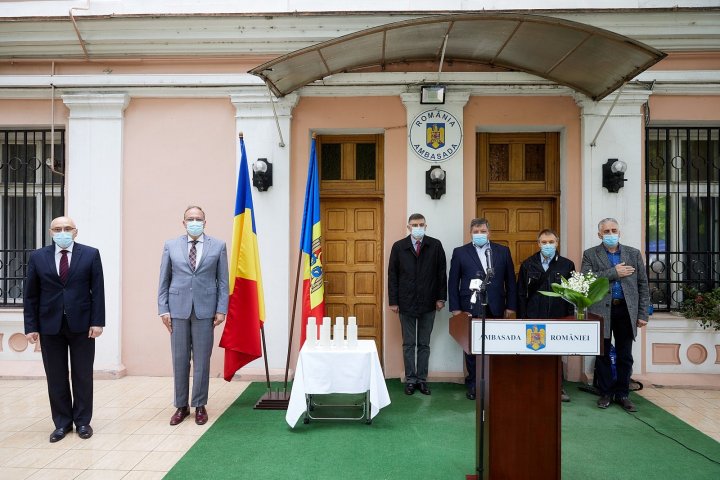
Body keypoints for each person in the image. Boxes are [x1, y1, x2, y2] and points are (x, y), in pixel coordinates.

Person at [24, 216, 105, 443]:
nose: (63, 232)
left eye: (67, 228)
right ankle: (61, 423)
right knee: (56, 377)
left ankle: (82, 422)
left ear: (75, 232)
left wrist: (97, 322)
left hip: (82, 325)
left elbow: (98, 291)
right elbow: (31, 295)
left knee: (82, 375)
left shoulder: (90, 254)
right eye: (58, 229)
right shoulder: (38, 257)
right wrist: (31, 327)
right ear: (51, 232)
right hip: (49, 326)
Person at [158, 206, 229, 425]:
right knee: (179, 359)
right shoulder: (171, 245)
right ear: (183, 222)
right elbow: (164, 279)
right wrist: (163, 309)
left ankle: (199, 405)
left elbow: (223, 282)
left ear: (205, 222)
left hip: (205, 310)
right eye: (191, 219)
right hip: (177, 309)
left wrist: (221, 309)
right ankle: (181, 406)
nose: (194, 222)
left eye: (198, 219)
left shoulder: (218, 246)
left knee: (201, 361)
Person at [581, 218, 649, 412]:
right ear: (599, 235)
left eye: (614, 230)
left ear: (619, 232)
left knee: (624, 354)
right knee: (602, 353)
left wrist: (643, 313)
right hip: (601, 310)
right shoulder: (590, 254)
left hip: (626, 310)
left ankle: (622, 393)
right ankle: (605, 392)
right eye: (607, 231)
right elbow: (586, 280)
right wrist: (614, 272)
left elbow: (643, 285)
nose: (611, 234)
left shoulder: (633, 254)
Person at [449, 218, 516, 400]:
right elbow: (453, 282)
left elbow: (510, 280)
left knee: (495, 346)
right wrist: (455, 309)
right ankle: (473, 384)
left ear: (489, 232)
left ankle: (495, 382)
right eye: (476, 231)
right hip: (470, 306)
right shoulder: (460, 252)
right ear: (470, 233)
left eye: (483, 231)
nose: (479, 234)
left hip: (496, 305)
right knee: (472, 347)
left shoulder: (502, 251)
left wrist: (511, 305)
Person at [388, 213, 447, 396]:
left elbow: (441, 273)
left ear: (426, 226)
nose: (418, 227)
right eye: (414, 224)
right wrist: (393, 301)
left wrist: (440, 298)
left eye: (421, 224)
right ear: (408, 227)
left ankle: (422, 380)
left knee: (424, 344)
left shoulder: (435, 245)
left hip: (429, 303)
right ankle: (411, 380)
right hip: (405, 303)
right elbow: (393, 276)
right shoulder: (399, 247)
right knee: (408, 344)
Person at [517, 228, 575, 402]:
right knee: (534, 351)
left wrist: (571, 317)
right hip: (534, 316)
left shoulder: (567, 265)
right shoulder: (528, 264)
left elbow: (573, 293)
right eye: (544, 242)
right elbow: (521, 294)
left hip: (558, 316)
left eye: (551, 242)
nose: (547, 245)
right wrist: (521, 318)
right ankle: (533, 385)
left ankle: (559, 387)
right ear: (538, 244)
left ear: (557, 243)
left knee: (556, 353)